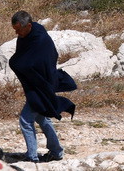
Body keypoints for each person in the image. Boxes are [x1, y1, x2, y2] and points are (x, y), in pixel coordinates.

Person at [7, 12, 74, 164]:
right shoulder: (26, 37)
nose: (17, 33)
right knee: (41, 116)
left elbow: (40, 62)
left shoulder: (41, 40)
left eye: (18, 29)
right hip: (33, 85)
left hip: (42, 85)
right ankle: (56, 151)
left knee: (25, 120)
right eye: (15, 29)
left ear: (28, 26)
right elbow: (23, 58)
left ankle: (32, 157)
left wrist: (20, 64)